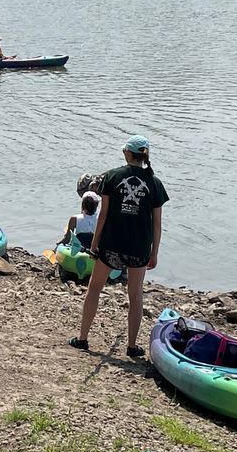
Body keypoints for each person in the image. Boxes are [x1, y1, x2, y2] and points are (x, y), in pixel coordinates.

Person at [68, 135, 168, 357]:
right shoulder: (155, 183)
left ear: (127, 153)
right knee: (135, 295)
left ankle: (82, 338)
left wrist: (95, 243)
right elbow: (157, 224)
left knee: (95, 288)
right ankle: (131, 347)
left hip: (111, 244)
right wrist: (154, 253)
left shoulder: (112, 176)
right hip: (139, 248)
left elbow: (103, 214)